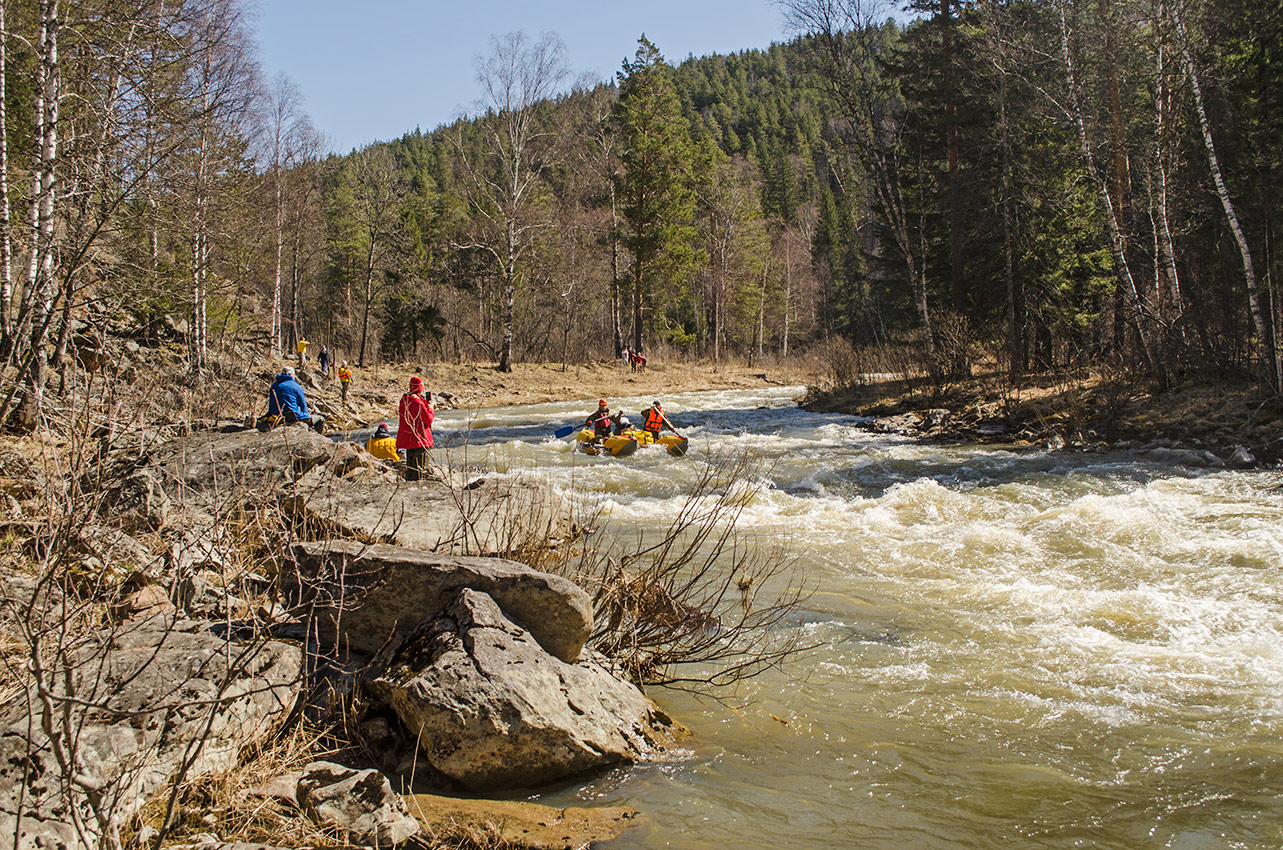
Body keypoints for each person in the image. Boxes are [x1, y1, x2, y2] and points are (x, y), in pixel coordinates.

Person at [263, 366, 325, 433]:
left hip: (277, 416)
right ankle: (317, 436)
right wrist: (306, 415)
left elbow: (271, 404)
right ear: (292, 375)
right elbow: (303, 405)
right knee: (320, 419)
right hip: (293, 416)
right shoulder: (296, 386)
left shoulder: (274, 386)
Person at [397, 375, 434, 481]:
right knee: (421, 472)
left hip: (409, 440)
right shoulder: (417, 402)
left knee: (411, 470)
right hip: (420, 439)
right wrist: (430, 409)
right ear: (420, 388)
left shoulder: (404, 400)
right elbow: (428, 420)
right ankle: (420, 494)